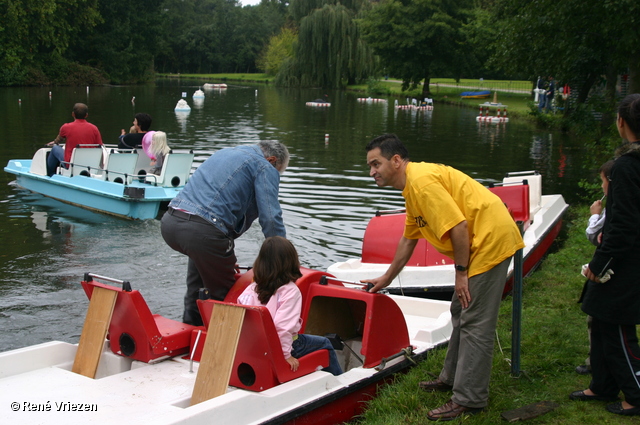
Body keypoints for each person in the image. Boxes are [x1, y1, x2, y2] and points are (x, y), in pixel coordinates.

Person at [362, 134, 524, 421]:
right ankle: (450, 378)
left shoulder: (422, 184)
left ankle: (469, 399)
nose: (372, 171)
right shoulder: (412, 187)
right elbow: (408, 239)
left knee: (475, 321)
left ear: (396, 161)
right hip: (478, 242)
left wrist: (461, 273)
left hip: (490, 240)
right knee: (459, 310)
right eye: (370, 165)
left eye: (376, 164)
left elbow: (459, 227)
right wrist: (387, 277)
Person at [161, 141, 289, 326]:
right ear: (271, 160)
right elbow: (270, 218)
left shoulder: (226, 153)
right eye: (278, 172)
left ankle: (190, 332)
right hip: (203, 232)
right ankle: (229, 345)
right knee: (228, 294)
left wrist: (220, 254)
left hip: (171, 222)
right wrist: (283, 257)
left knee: (197, 288)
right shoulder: (264, 165)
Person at [572, 94, 640, 417]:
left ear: (621, 122)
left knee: (616, 326)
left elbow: (624, 225)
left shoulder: (627, 167)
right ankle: (602, 384)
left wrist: (600, 264)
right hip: (625, 257)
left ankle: (636, 394)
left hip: (625, 261)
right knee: (599, 315)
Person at [237, 236, 342, 376]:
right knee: (325, 343)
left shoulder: (252, 287)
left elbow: (241, 316)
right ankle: (339, 384)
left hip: (255, 344)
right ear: (291, 262)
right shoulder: (291, 291)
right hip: (284, 346)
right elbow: (282, 328)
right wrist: (285, 355)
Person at [576, 160, 614, 376]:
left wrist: (594, 214)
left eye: (602, 181)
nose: (601, 187)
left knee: (597, 315)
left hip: (607, 270)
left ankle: (597, 363)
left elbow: (593, 234)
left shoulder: (615, 207)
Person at [46, 103, 103, 177]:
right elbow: (99, 147)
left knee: (55, 148)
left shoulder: (66, 127)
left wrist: (54, 142)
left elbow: (58, 140)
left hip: (71, 164)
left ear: (73, 114)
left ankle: (50, 175)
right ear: (86, 115)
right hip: (90, 165)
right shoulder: (94, 129)